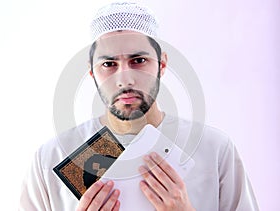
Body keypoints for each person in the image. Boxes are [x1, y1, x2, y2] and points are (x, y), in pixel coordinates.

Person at [19, 2, 259, 211]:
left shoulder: (215, 150)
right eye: (109, 64)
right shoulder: (50, 158)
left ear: (162, 64)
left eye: (138, 60)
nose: (125, 79)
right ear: (91, 71)